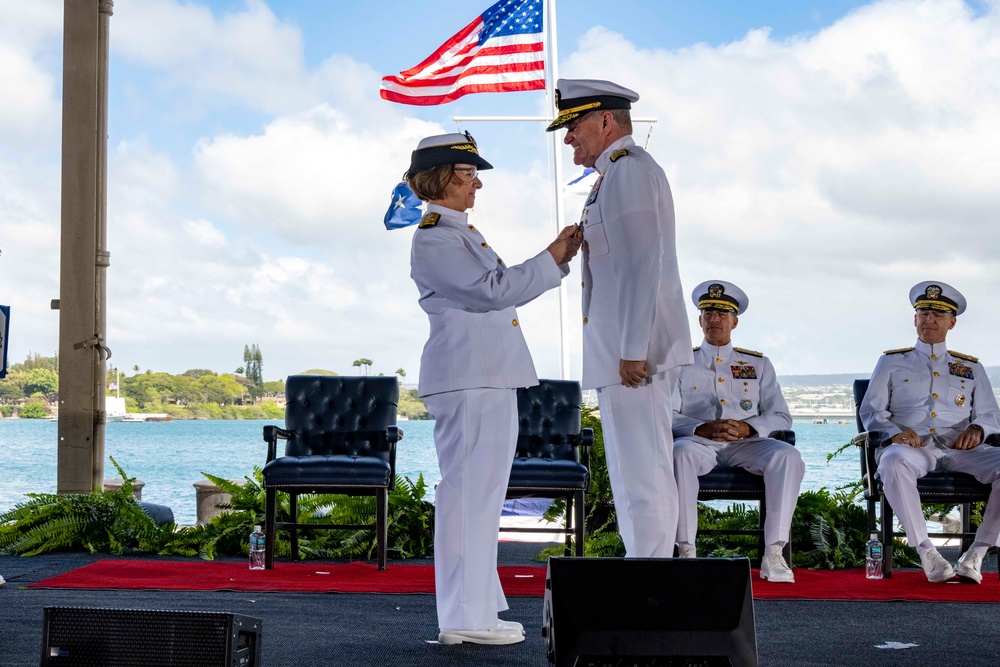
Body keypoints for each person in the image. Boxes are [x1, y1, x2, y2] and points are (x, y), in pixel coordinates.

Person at [406, 132, 582, 644]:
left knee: (482, 497)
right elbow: (493, 293)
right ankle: (462, 618)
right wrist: (551, 256)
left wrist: (556, 259)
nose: (477, 184)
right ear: (441, 180)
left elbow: (496, 289)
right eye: (467, 176)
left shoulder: (460, 231)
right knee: (467, 496)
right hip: (469, 379)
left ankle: (478, 609)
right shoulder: (436, 236)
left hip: (485, 377)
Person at [546, 79, 693, 558]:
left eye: (573, 125)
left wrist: (632, 351)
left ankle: (650, 575)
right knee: (634, 471)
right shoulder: (613, 176)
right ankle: (644, 566)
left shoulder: (629, 172)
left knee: (643, 470)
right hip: (621, 353)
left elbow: (641, 265)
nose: (568, 137)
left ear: (605, 120)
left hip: (634, 356)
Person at [860, 281, 1000, 584]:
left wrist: (978, 428)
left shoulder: (970, 368)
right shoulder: (891, 362)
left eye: (938, 315)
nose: (929, 320)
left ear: (952, 322)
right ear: (914, 320)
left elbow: (991, 414)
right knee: (893, 461)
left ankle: (977, 552)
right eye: (923, 313)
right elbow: (871, 410)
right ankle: (927, 552)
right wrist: (892, 433)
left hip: (960, 449)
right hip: (913, 447)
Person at [671, 281, 803, 582]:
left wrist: (749, 427)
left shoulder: (758, 364)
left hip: (746, 444)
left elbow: (782, 415)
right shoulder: (680, 363)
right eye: (708, 312)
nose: (714, 318)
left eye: (721, 313)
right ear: (700, 319)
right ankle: (687, 551)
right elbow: (666, 414)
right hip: (699, 443)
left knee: (788, 456)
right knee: (679, 453)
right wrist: (699, 427)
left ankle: (774, 553)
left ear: (734, 321)